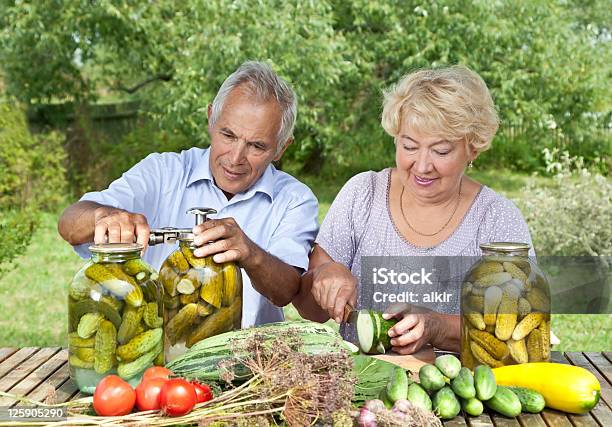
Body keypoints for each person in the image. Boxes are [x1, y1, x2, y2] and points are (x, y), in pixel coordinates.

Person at [292, 65, 534, 354]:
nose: (421, 166)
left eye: (441, 151)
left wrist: (438, 326)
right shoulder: (362, 194)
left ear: (474, 149)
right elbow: (310, 310)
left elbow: (520, 330)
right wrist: (324, 275)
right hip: (361, 387)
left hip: (456, 388)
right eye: (409, 146)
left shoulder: (496, 219)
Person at [58, 61, 318, 327]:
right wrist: (106, 216)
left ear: (281, 149)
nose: (236, 157)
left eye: (257, 146)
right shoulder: (163, 171)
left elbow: (287, 291)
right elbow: (69, 224)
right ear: (210, 118)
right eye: (228, 135)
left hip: (248, 362)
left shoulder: (294, 199)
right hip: (158, 361)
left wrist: (252, 254)